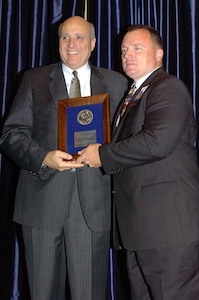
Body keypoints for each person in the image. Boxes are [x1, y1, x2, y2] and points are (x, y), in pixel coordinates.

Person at [0, 16, 128, 300]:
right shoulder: (33, 80)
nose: (72, 44)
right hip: (41, 205)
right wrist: (43, 157)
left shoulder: (116, 83)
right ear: (57, 43)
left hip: (93, 207)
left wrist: (105, 156)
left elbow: (126, 144)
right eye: (65, 37)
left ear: (93, 43)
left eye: (79, 37)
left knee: (89, 294)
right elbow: (11, 134)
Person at [76, 25, 199, 299]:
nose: (127, 55)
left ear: (159, 54)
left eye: (137, 48)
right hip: (140, 231)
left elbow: (157, 142)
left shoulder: (167, 87)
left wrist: (103, 154)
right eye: (123, 50)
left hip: (167, 231)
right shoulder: (132, 96)